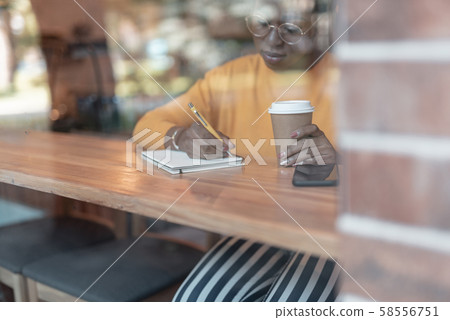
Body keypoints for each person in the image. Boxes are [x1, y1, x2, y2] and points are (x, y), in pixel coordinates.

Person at [134, 0, 339, 302]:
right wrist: (179, 137)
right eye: (262, 24)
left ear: (319, 27)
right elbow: (146, 126)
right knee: (193, 301)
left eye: (291, 28)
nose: (272, 40)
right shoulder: (232, 78)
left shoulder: (352, 78)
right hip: (259, 229)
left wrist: (339, 163)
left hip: (334, 233)